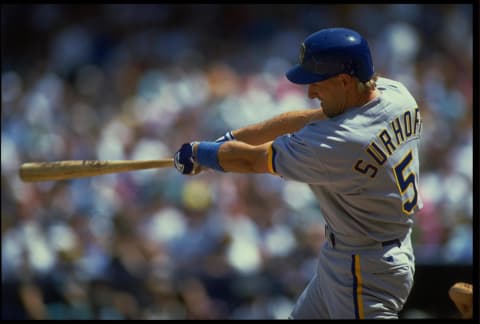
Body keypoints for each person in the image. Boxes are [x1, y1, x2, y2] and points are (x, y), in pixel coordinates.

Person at [173, 27, 423, 319]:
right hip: (353, 254)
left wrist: (200, 153)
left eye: (317, 82)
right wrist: (227, 140)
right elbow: (301, 120)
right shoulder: (396, 95)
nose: (310, 92)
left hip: (366, 268)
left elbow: (252, 161)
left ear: (344, 80)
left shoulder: (339, 141)